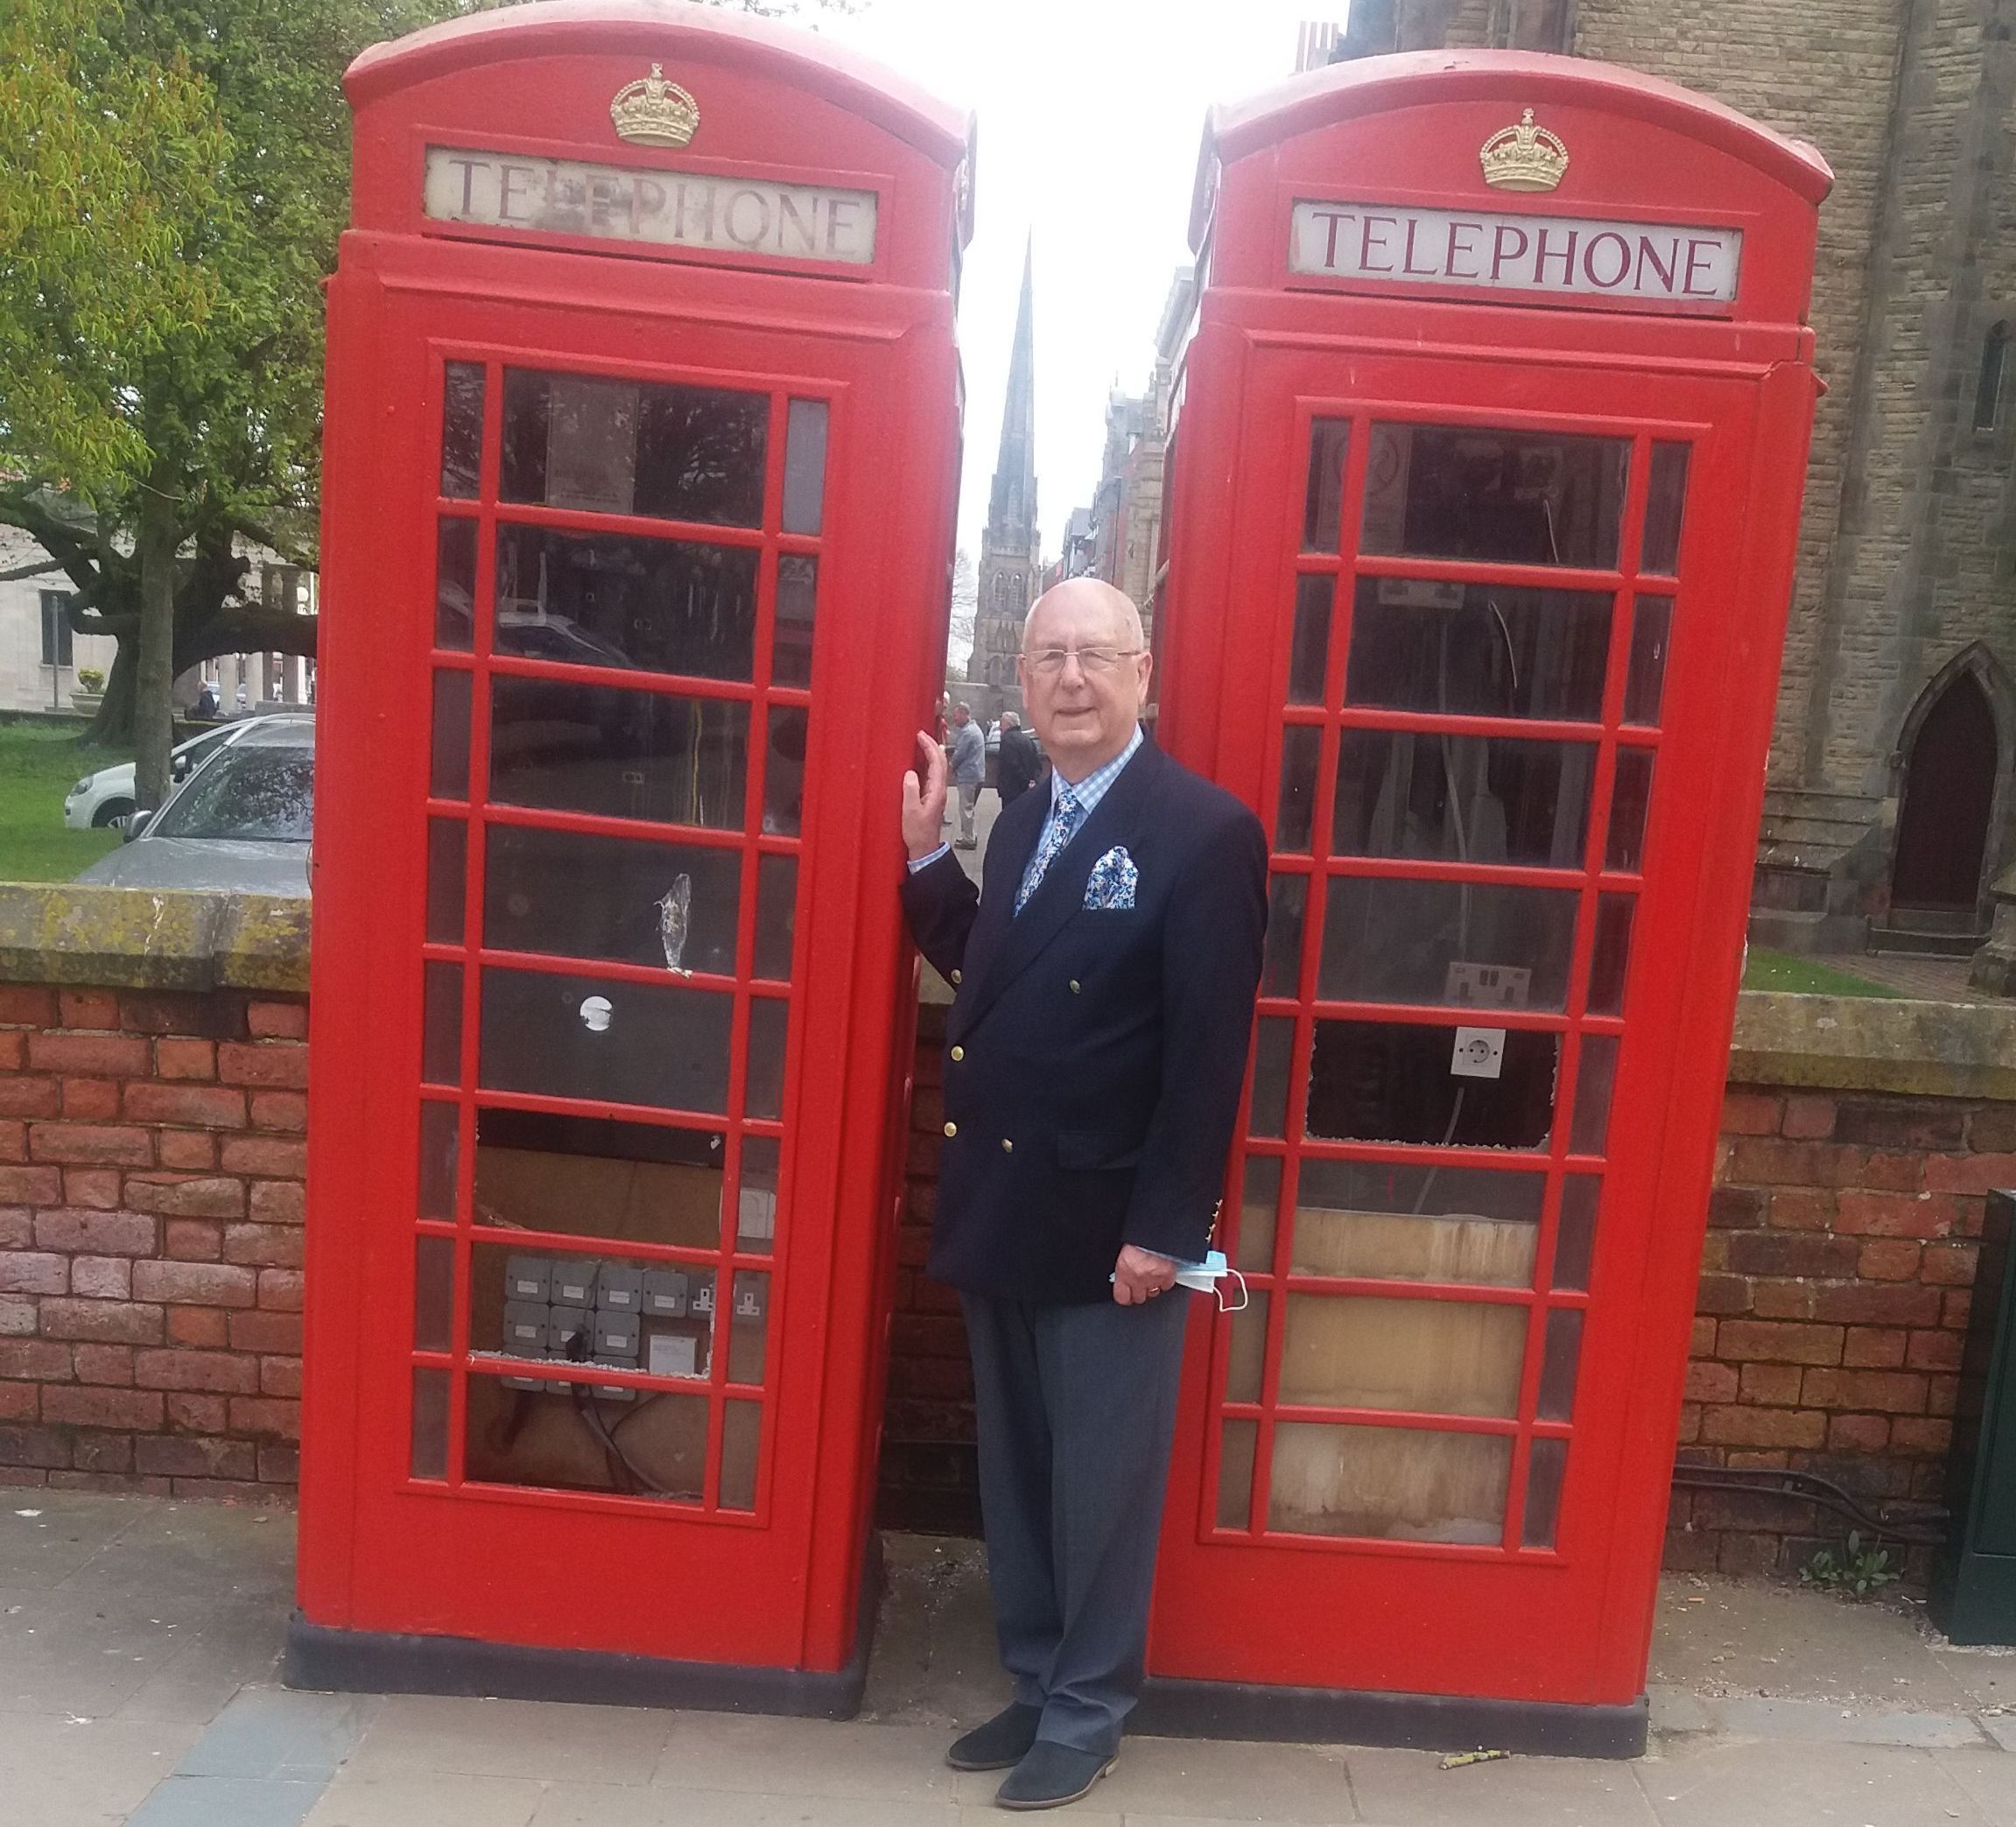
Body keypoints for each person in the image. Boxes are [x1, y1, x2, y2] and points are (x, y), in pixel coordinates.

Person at [899, 578, 1267, 1810]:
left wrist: (1166, 1230)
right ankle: (1036, 1673)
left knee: (1100, 1485)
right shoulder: (1018, 822)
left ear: (1140, 671)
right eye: (1048, 656)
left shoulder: (1201, 832)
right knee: (1020, 1472)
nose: (1069, 678)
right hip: (1006, 1201)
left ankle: (1090, 1706)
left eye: (1093, 656)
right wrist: (920, 858)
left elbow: (1207, 1055)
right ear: (1020, 680)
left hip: (1113, 1225)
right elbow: (1000, 974)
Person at [948, 700, 986, 850]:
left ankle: (968, 839)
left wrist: (950, 767)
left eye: (956, 716)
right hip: (976, 774)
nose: (954, 719)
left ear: (964, 714)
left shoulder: (968, 733)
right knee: (969, 808)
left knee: (966, 808)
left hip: (968, 776)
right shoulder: (974, 729)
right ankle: (970, 835)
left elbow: (959, 754)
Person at [994, 710, 1042, 810]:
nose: (1000, 727)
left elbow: (1012, 764)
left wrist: (1025, 781)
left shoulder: (1007, 740)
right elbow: (1037, 763)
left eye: (1002, 724)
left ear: (1008, 725)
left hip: (1011, 788)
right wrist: (1033, 781)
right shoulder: (1028, 740)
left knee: (1010, 817)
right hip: (1026, 789)